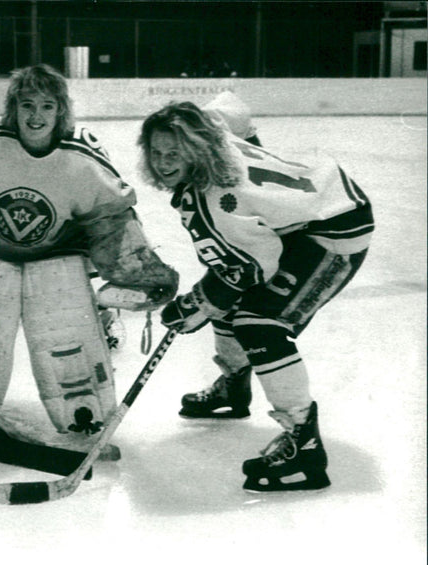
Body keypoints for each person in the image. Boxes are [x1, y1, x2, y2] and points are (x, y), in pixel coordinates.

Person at [0, 63, 179, 449]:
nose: (36, 116)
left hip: (60, 256)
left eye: (47, 106)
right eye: (27, 105)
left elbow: (111, 216)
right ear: (13, 107)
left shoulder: (81, 155)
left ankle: (83, 413)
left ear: (61, 111)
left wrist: (140, 272)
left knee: (63, 334)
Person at [137, 100, 373, 492]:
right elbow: (232, 107)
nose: (163, 163)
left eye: (174, 153)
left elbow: (250, 268)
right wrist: (254, 149)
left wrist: (195, 305)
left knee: (258, 322)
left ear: (195, 147)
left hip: (337, 228)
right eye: (157, 152)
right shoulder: (211, 129)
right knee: (228, 294)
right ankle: (235, 384)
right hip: (318, 203)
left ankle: (304, 441)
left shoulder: (215, 201)